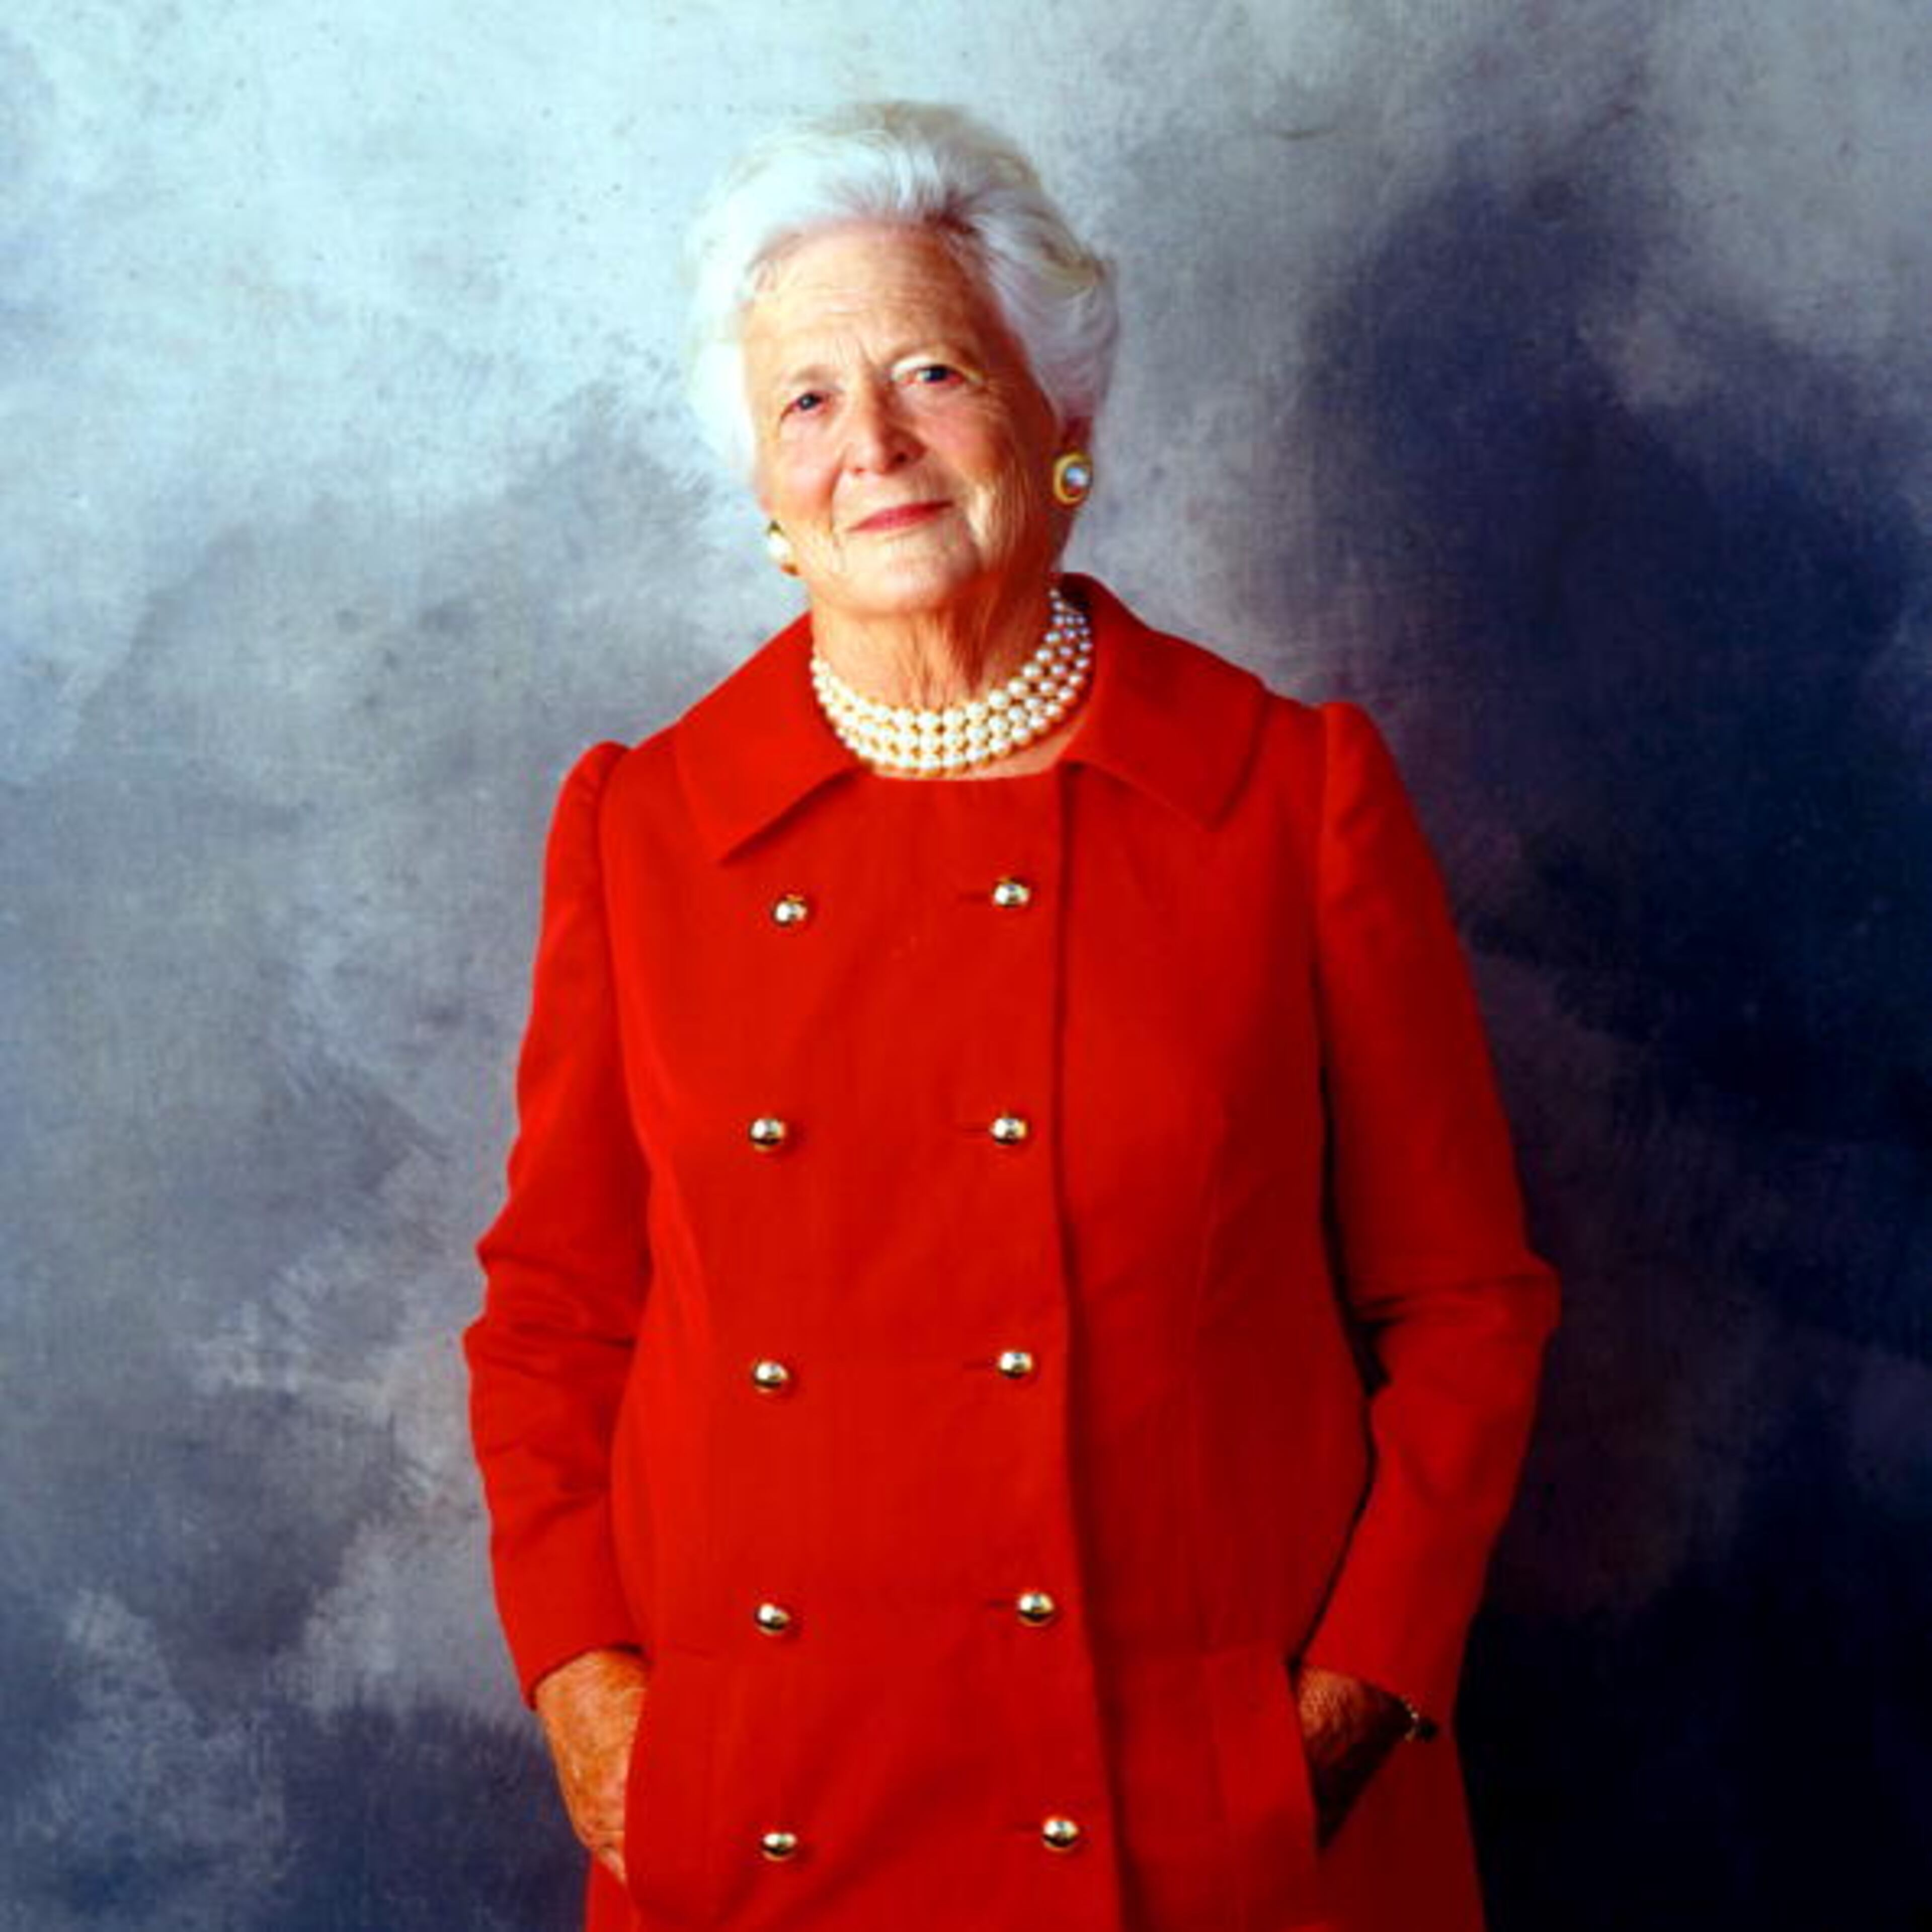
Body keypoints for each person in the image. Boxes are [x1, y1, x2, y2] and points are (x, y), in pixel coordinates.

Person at [464, 100, 1559, 1932]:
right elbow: (557, 1322)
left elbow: (1462, 1307)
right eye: (806, 401)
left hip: (1202, 1828)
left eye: (932, 372)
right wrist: (593, 1705)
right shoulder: (639, 827)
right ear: (759, 480)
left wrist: (1343, 1718)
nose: (872, 448)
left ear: (1063, 426)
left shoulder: (1291, 798)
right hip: (764, 1817)